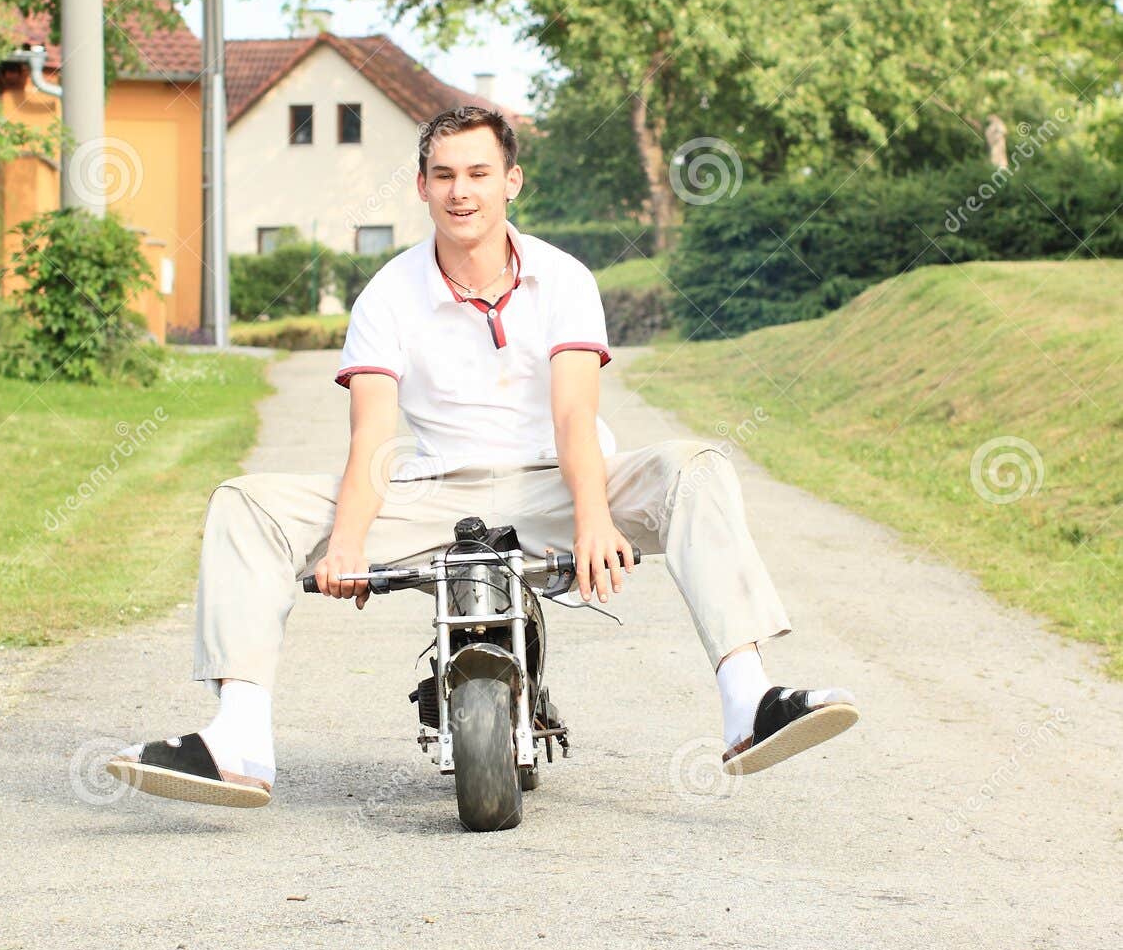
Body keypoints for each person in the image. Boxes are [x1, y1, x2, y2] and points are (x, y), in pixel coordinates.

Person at [107, 105, 857, 807]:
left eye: (477, 174)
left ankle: (747, 701)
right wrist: (348, 542)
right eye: (443, 175)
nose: (460, 192)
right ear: (422, 186)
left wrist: (594, 517)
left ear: (510, 182)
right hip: (435, 491)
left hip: (558, 486)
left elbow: (573, 410)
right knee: (245, 500)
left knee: (697, 465)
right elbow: (372, 435)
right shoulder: (388, 293)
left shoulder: (562, 278)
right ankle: (239, 738)